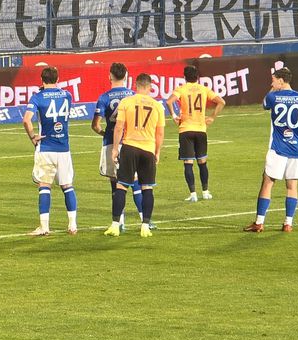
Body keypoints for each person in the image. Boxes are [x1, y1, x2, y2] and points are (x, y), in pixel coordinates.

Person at [244, 66, 298, 234]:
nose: (271, 83)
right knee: (292, 186)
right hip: (296, 148)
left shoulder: (273, 97)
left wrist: (274, 89)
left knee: (267, 182)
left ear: (281, 81)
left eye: (273, 80)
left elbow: (264, 104)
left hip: (277, 147)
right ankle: (288, 223)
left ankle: (259, 223)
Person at [22, 66, 78, 236]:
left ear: (42, 79)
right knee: (67, 186)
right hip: (63, 147)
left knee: (44, 185)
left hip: (46, 146)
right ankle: (72, 225)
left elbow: (26, 120)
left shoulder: (37, 97)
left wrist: (33, 137)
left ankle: (44, 227)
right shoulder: (67, 95)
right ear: (57, 79)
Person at [109, 73, 165, 238]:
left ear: (135, 85)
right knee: (147, 187)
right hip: (148, 149)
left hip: (129, 147)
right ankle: (145, 226)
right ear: (150, 87)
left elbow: (119, 127)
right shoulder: (157, 106)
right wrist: (157, 151)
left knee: (121, 186)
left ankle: (115, 225)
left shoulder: (126, 102)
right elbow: (160, 133)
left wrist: (115, 149)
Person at [90, 61, 144, 234]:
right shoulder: (133, 96)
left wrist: (104, 133)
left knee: (115, 184)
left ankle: (119, 222)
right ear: (126, 76)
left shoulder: (104, 97)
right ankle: (145, 220)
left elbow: (95, 125)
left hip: (111, 143)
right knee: (135, 181)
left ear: (110, 76)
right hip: (131, 142)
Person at [166, 64, 225, 202]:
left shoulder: (181, 89)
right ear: (197, 77)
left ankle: (193, 194)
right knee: (202, 162)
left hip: (186, 129)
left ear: (184, 77)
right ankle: (205, 192)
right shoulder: (204, 89)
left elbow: (169, 101)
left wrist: (174, 116)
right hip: (200, 129)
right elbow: (221, 102)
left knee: (188, 163)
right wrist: (212, 117)